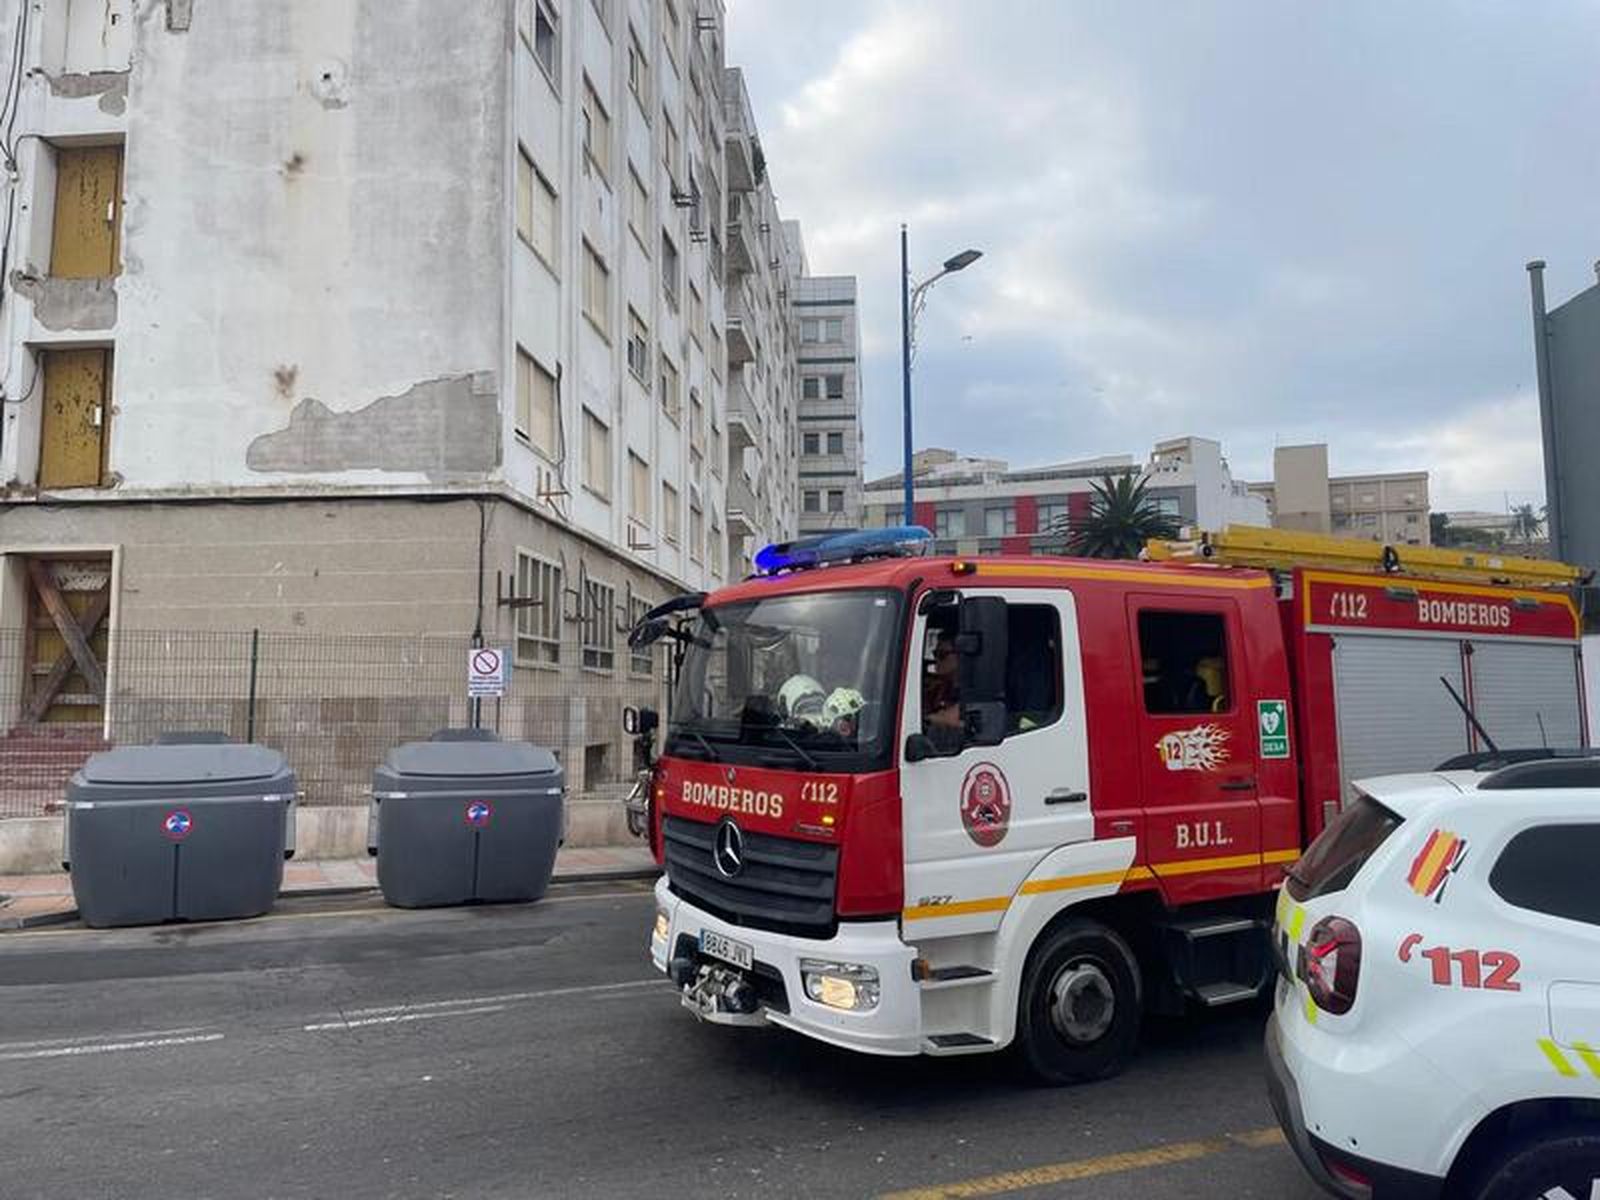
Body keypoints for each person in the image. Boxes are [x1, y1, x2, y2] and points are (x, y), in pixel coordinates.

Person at [923, 631, 963, 734]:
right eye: (935, 654)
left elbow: (953, 718)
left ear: (960, 656)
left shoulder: (973, 691)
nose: (936, 660)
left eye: (942, 655)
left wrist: (928, 719)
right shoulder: (938, 688)